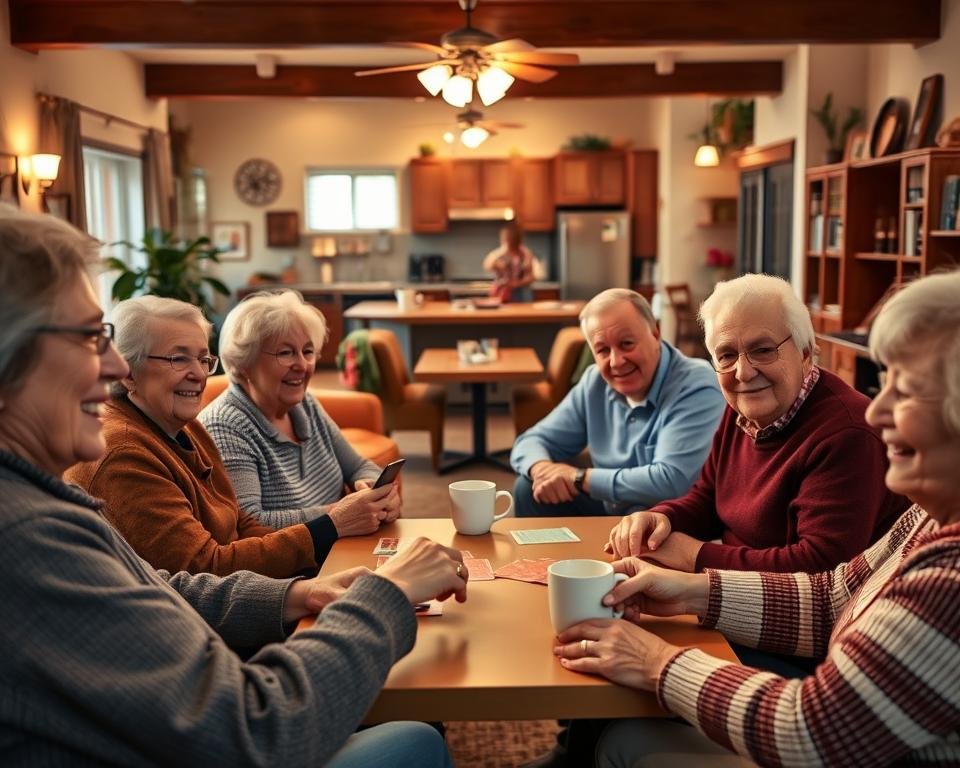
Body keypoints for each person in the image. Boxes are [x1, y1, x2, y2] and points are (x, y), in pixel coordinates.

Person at [0, 203, 465, 766]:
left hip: (225, 676)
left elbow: (167, 582)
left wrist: (298, 594)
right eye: (85, 337)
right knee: (416, 741)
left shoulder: (55, 494)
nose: (114, 367)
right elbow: (255, 730)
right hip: (237, 719)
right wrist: (381, 595)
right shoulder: (31, 533)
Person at [555, 269, 960, 766]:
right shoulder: (926, 518)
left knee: (628, 727)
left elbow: (811, 732)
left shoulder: (947, 577)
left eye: (908, 390)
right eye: (726, 355)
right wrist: (689, 587)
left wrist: (656, 658)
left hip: (822, 717)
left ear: (806, 353)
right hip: (817, 668)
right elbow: (834, 595)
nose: (878, 413)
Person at [66, 295, 388, 577]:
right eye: (178, 358)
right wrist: (330, 527)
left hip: (257, 582)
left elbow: (241, 523)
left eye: (203, 359)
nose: (199, 373)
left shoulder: (185, 425)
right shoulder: (122, 454)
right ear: (127, 372)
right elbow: (203, 570)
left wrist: (326, 538)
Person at [607, 273, 908, 573]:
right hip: (729, 587)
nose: (743, 373)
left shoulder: (848, 433)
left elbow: (822, 569)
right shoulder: (743, 407)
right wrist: (662, 518)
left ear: (805, 353)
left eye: (763, 350)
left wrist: (695, 556)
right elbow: (709, 497)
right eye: (726, 355)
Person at [510, 288, 725, 517]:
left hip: (668, 517)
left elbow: (672, 481)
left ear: (655, 333)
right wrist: (542, 469)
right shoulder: (594, 382)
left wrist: (579, 477)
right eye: (602, 350)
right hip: (611, 505)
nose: (616, 362)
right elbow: (530, 441)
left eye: (626, 344)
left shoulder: (696, 384)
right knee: (530, 487)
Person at [200, 289, 400, 533]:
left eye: (307, 351)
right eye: (285, 353)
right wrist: (340, 515)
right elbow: (248, 523)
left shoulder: (305, 404)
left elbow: (358, 466)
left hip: (343, 544)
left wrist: (375, 490)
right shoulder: (224, 427)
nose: (302, 365)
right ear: (244, 364)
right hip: (299, 557)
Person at [482, 223, 543, 303]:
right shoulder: (499, 254)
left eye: (510, 238)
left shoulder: (526, 254)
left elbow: (533, 276)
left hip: (521, 293)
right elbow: (487, 266)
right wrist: (501, 252)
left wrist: (517, 283)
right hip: (501, 292)